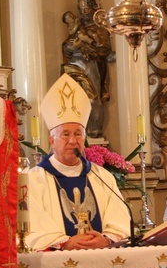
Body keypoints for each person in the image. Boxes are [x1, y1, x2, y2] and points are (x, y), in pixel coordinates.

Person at [26, 73, 129, 251]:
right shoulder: (34, 179)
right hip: (56, 266)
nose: (73, 141)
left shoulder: (101, 176)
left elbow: (119, 221)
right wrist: (66, 242)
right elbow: (34, 226)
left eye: (78, 134)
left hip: (101, 260)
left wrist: (106, 240)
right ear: (52, 140)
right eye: (65, 134)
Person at [60, 0, 113, 139]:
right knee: (72, 99)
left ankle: (93, 132)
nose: (84, 12)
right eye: (81, 9)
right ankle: (75, 132)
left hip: (90, 65)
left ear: (94, 8)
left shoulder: (98, 28)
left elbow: (104, 49)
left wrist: (90, 43)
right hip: (73, 66)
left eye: (87, 9)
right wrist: (74, 45)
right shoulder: (76, 28)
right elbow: (66, 48)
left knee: (92, 98)